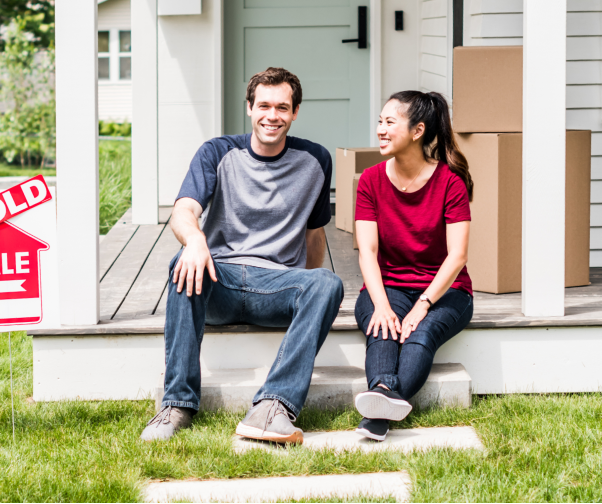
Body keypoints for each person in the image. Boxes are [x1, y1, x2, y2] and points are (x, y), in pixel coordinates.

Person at [140, 67, 344, 444]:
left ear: (295, 112)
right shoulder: (217, 152)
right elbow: (183, 211)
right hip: (220, 280)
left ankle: (272, 407)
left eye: (282, 107)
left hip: (276, 286)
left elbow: (315, 235)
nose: (272, 116)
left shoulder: (316, 160)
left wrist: (306, 294)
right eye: (264, 105)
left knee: (327, 283)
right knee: (181, 263)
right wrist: (196, 243)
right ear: (249, 108)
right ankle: (177, 404)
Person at [352, 91, 474, 441]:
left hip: (446, 291)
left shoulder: (450, 182)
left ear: (418, 130)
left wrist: (423, 305)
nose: (381, 129)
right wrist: (381, 305)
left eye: (390, 122)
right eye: (380, 121)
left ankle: (381, 406)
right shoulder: (371, 180)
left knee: (419, 337)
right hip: (387, 285)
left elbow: (457, 256)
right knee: (383, 330)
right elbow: (367, 251)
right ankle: (385, 394)